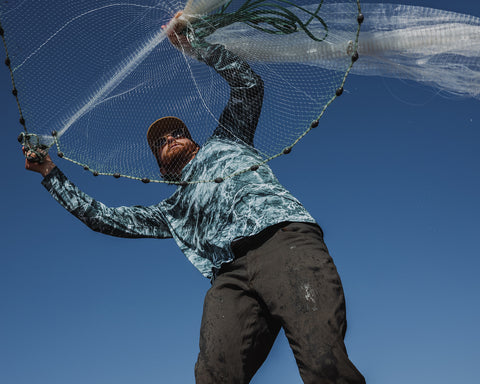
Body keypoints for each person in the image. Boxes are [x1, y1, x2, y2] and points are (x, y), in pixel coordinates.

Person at [24, 12, 365, 384]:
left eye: (176, 133)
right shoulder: (172, 209)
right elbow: (104, 217)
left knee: (324, 362)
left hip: (283, 241)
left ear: (194, 140)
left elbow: (248, 85)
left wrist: (193, 46)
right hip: (228, 278)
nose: (169, 138)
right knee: (212, 377)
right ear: (161, 167)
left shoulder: (228, 139)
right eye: (161, 142)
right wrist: (49, 174)